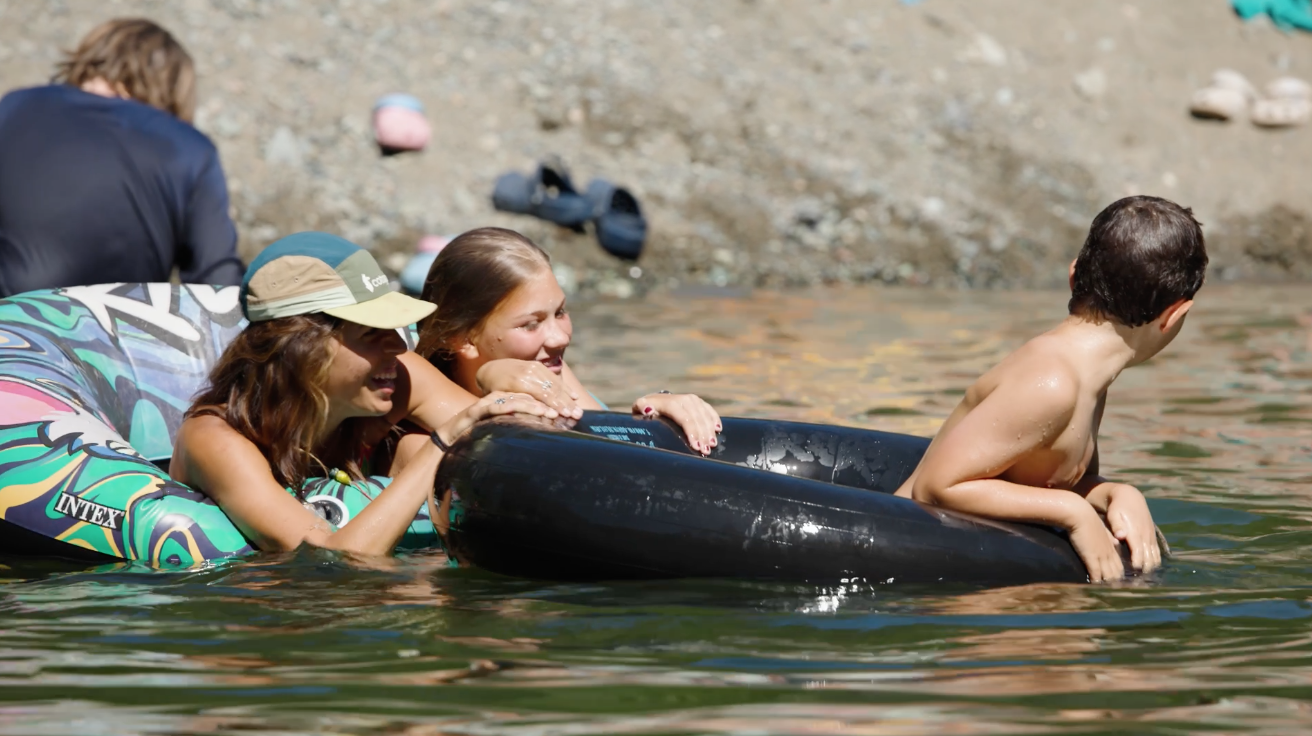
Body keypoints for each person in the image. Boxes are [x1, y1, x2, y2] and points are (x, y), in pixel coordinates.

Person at [170, 231, 573, 557]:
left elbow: (524, 451)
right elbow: (332, 561)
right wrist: (441, 442)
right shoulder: (216, 439)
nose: (398, 346)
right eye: (370, 334)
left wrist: (487, 373)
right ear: (302, 347)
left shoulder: (396, 376)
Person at [895, 196, 1208, 582]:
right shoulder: (1053, 385)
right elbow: (937, 486)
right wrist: (1073, 513)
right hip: (907, 566)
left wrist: (1116, 493)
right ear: (1174, 315)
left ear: (1074, 275)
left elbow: (1038, 480)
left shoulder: (1089, 380)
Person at [415, 227, 723, 454]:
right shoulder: (418, 435)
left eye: (560, 312)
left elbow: (605, 444)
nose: (560, 337)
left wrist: (652, 416)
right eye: (530, 325)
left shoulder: (547, 369)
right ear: (463, 339)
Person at [0, 18, 242, 298]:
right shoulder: (190, 148)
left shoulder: (16, 106)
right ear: (171, 88)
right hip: (110, 324)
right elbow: (218, 284)